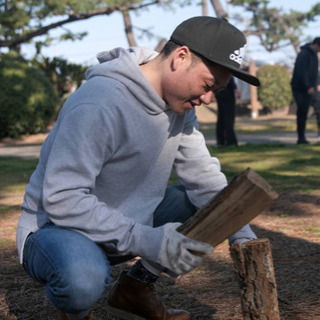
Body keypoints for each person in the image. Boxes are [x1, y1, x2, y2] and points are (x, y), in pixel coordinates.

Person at [16, 17, 260, 320]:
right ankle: (76, 312)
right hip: (56, 230)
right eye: (208, 85)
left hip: (122, 225)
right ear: (181, 57)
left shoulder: (180, 107)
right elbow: (62, 199)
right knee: (83, 280)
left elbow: (204, 178)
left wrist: (244, 238)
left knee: (206, 204)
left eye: (217, 91)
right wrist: (149, 240)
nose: (208, 98)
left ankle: (135, 290)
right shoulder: (100, 102)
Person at [291, 37, 320, 144]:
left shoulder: (314, 56)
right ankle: (301, 137)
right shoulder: (304, 54)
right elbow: (301, 72)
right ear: (316, 45)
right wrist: (308, 86)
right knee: (302, 112)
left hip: (312, 87)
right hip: (301, 89)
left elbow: (314, 73)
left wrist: (316, 85)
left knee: (319, 108)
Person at [215, 77, 241, 146]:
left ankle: (221, 141)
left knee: (221, 118)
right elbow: (229, 77)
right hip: (228, 93)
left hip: (219, 93)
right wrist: (235, 89)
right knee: (228, 118)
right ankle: (230, 141)